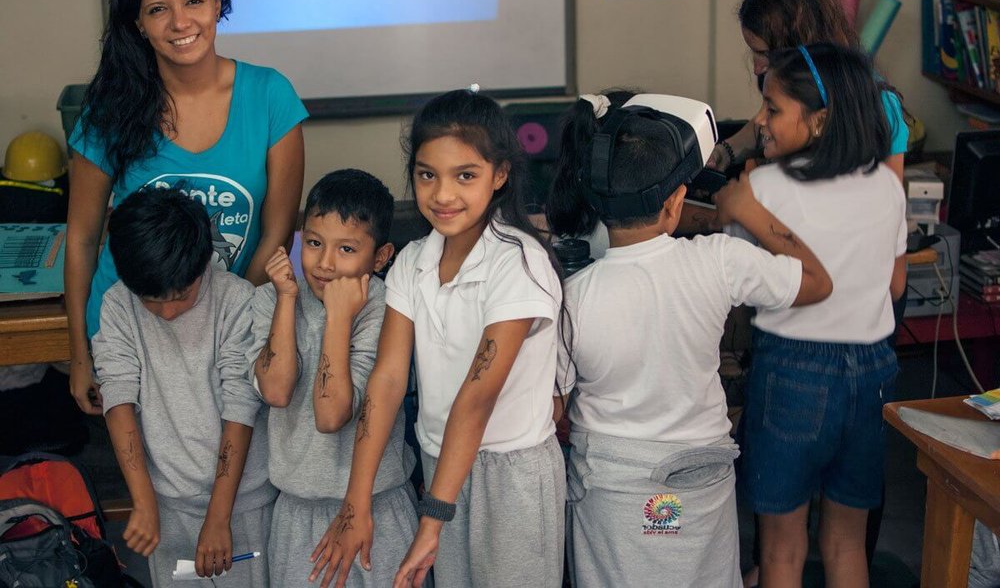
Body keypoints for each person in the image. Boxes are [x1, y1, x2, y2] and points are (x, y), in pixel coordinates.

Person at [547, 92, 831, 588]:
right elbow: (816, 281)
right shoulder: (717, 261)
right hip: (696, 482)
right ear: (676, 202)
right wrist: (750, 210)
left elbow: (555, 409)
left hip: (613, 489)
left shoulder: (571, 298)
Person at [309, 89, 566, 588]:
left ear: (501, 175)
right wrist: (355, 503)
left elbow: (477, 398)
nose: (443, 194)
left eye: (465, 175)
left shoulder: (518, 262)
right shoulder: (412, 262)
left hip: (509, 475)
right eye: (428, 175)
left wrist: (433, 518)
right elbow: (385, 382)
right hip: (439, 464)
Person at [66, 0, 307, 417]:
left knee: (239, 484)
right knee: (151, 486)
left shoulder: (269, 95)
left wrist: (231, 328)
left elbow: (277, 231)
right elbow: (82, 238)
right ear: (137, 22)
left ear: (219, 3)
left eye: (194, 0)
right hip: (131, 334)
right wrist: (78, 354)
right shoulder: (110, 109)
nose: (180, 22)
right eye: (158, 9)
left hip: (232, 334)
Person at [728, 43, 907, 588]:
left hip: (792, 372)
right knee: (848, 539)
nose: (760, 120)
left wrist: (739, 204)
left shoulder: (763, 189)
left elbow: (742, 281)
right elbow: (893, 278)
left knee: (781, 547)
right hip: (873, 373)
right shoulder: (886, 184)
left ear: (821, 118)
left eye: (774, 109)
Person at [93, 187, 274, 586]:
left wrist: (218, 516)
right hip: (165, 502)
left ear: (203, 264)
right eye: (152, 302)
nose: (168, 312)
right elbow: (118, 396)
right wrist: (143, 501)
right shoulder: (119, 305)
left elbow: (240, 405)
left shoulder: (237, 300)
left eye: (181, 296)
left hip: (242, 505)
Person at [250, 169, 419, 586]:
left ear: (380, 258)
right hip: (296, 510)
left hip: (375, 508)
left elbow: (331, 415)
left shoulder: (387, 310)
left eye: (346, 248)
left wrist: (339, 318)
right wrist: (287, 300)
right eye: (312, 243)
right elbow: (275, 389)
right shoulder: (270, 298)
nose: (324, 263)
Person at [709, 0, 907, 183]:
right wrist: (725, 151)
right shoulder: (797, 89)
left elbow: (889, 200)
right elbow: (764, 126)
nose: (756, 68)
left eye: (763, 53)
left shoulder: (879, 106)